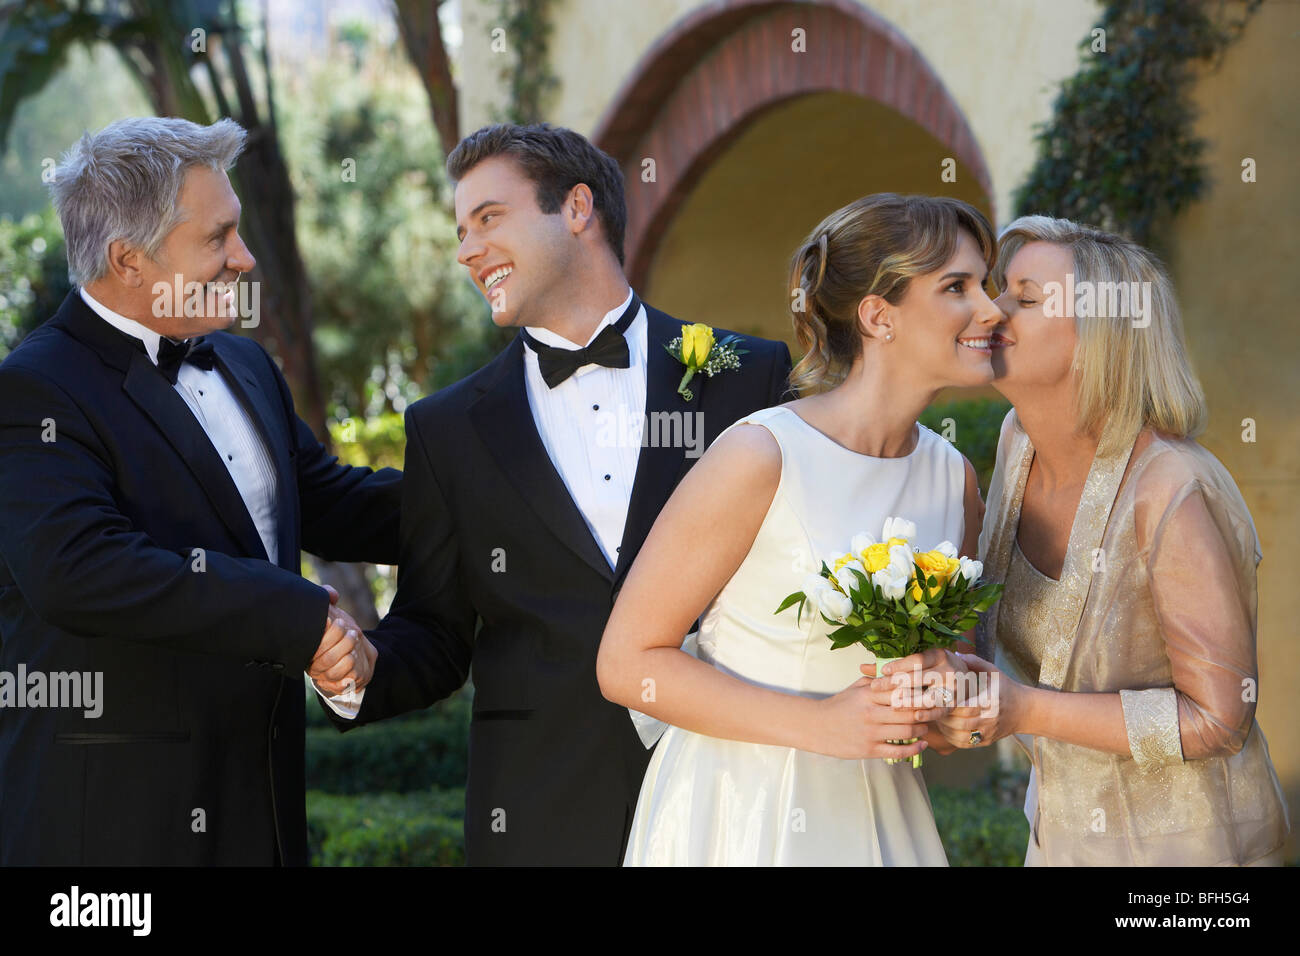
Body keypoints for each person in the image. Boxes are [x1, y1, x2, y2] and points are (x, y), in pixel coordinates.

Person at [318, 123, 793, 865]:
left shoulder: (748, 377)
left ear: (577, 209)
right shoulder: (447, 430)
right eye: (459, 230)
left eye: (488, 219)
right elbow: (436, 633)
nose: (466, 251)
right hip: (539, 815)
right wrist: (357, 670)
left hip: (734, 790)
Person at [0, 117, 399, 865]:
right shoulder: (31, 392)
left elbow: (335, 504)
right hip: (111, 839)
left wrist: (497, 492)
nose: (245, 260)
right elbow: (79, 570)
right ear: (129, 259)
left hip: (263, 820)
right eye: (217, 239)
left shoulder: (245, 366)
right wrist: (294, 613)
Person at [598, 193, 1002, 865]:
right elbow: (626, 664)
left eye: (984, 285)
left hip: (877, 809)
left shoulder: (953, 478)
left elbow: (950, 680)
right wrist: (819, 724)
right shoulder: (759, 455)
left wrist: (948, 697)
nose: (991, 310)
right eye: (958, 286)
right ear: (879, 316)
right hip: (736, 811)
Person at [913, 215, 1290, 865]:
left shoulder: (1170, 487)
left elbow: (1222, 717)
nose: (991, 309)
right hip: (1058, 840)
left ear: (1099, 337)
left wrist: (1023, 709)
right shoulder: (1018, 441)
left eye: (1025, 299)